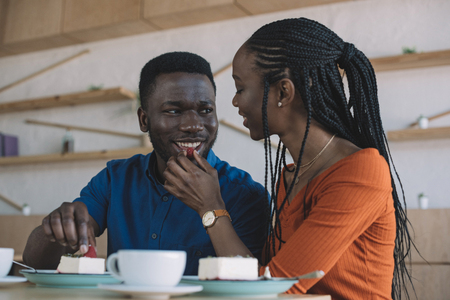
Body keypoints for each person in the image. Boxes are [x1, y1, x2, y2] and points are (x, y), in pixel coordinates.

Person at [163, 19, 413, 299]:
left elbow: (279, 291)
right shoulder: (291, 177)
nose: (235, 102)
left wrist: (210, 208)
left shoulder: (360, 171)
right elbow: (268, 278)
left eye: (240, 88)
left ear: (283, 92)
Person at [23, 52, 268, 275]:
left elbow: (251, 284)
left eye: (205, 110)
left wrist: (211, 208)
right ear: (144, 119)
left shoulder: (246, 195)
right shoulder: (114, 179)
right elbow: (35, 263)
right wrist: (59, 231)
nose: (193, 125)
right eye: (173, 111)